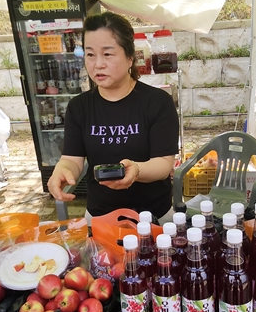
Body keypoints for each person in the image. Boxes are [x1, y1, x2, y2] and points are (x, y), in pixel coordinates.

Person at [47, 12, 180, 224]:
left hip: (153, 217)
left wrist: (136, 170)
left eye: (107, 54)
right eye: (90, 55)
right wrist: (62, 171)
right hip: (100, 218)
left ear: (130, 57)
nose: (97, 64)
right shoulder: (79, 107)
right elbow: (72, 159)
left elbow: (163, 165)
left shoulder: (157, 102)